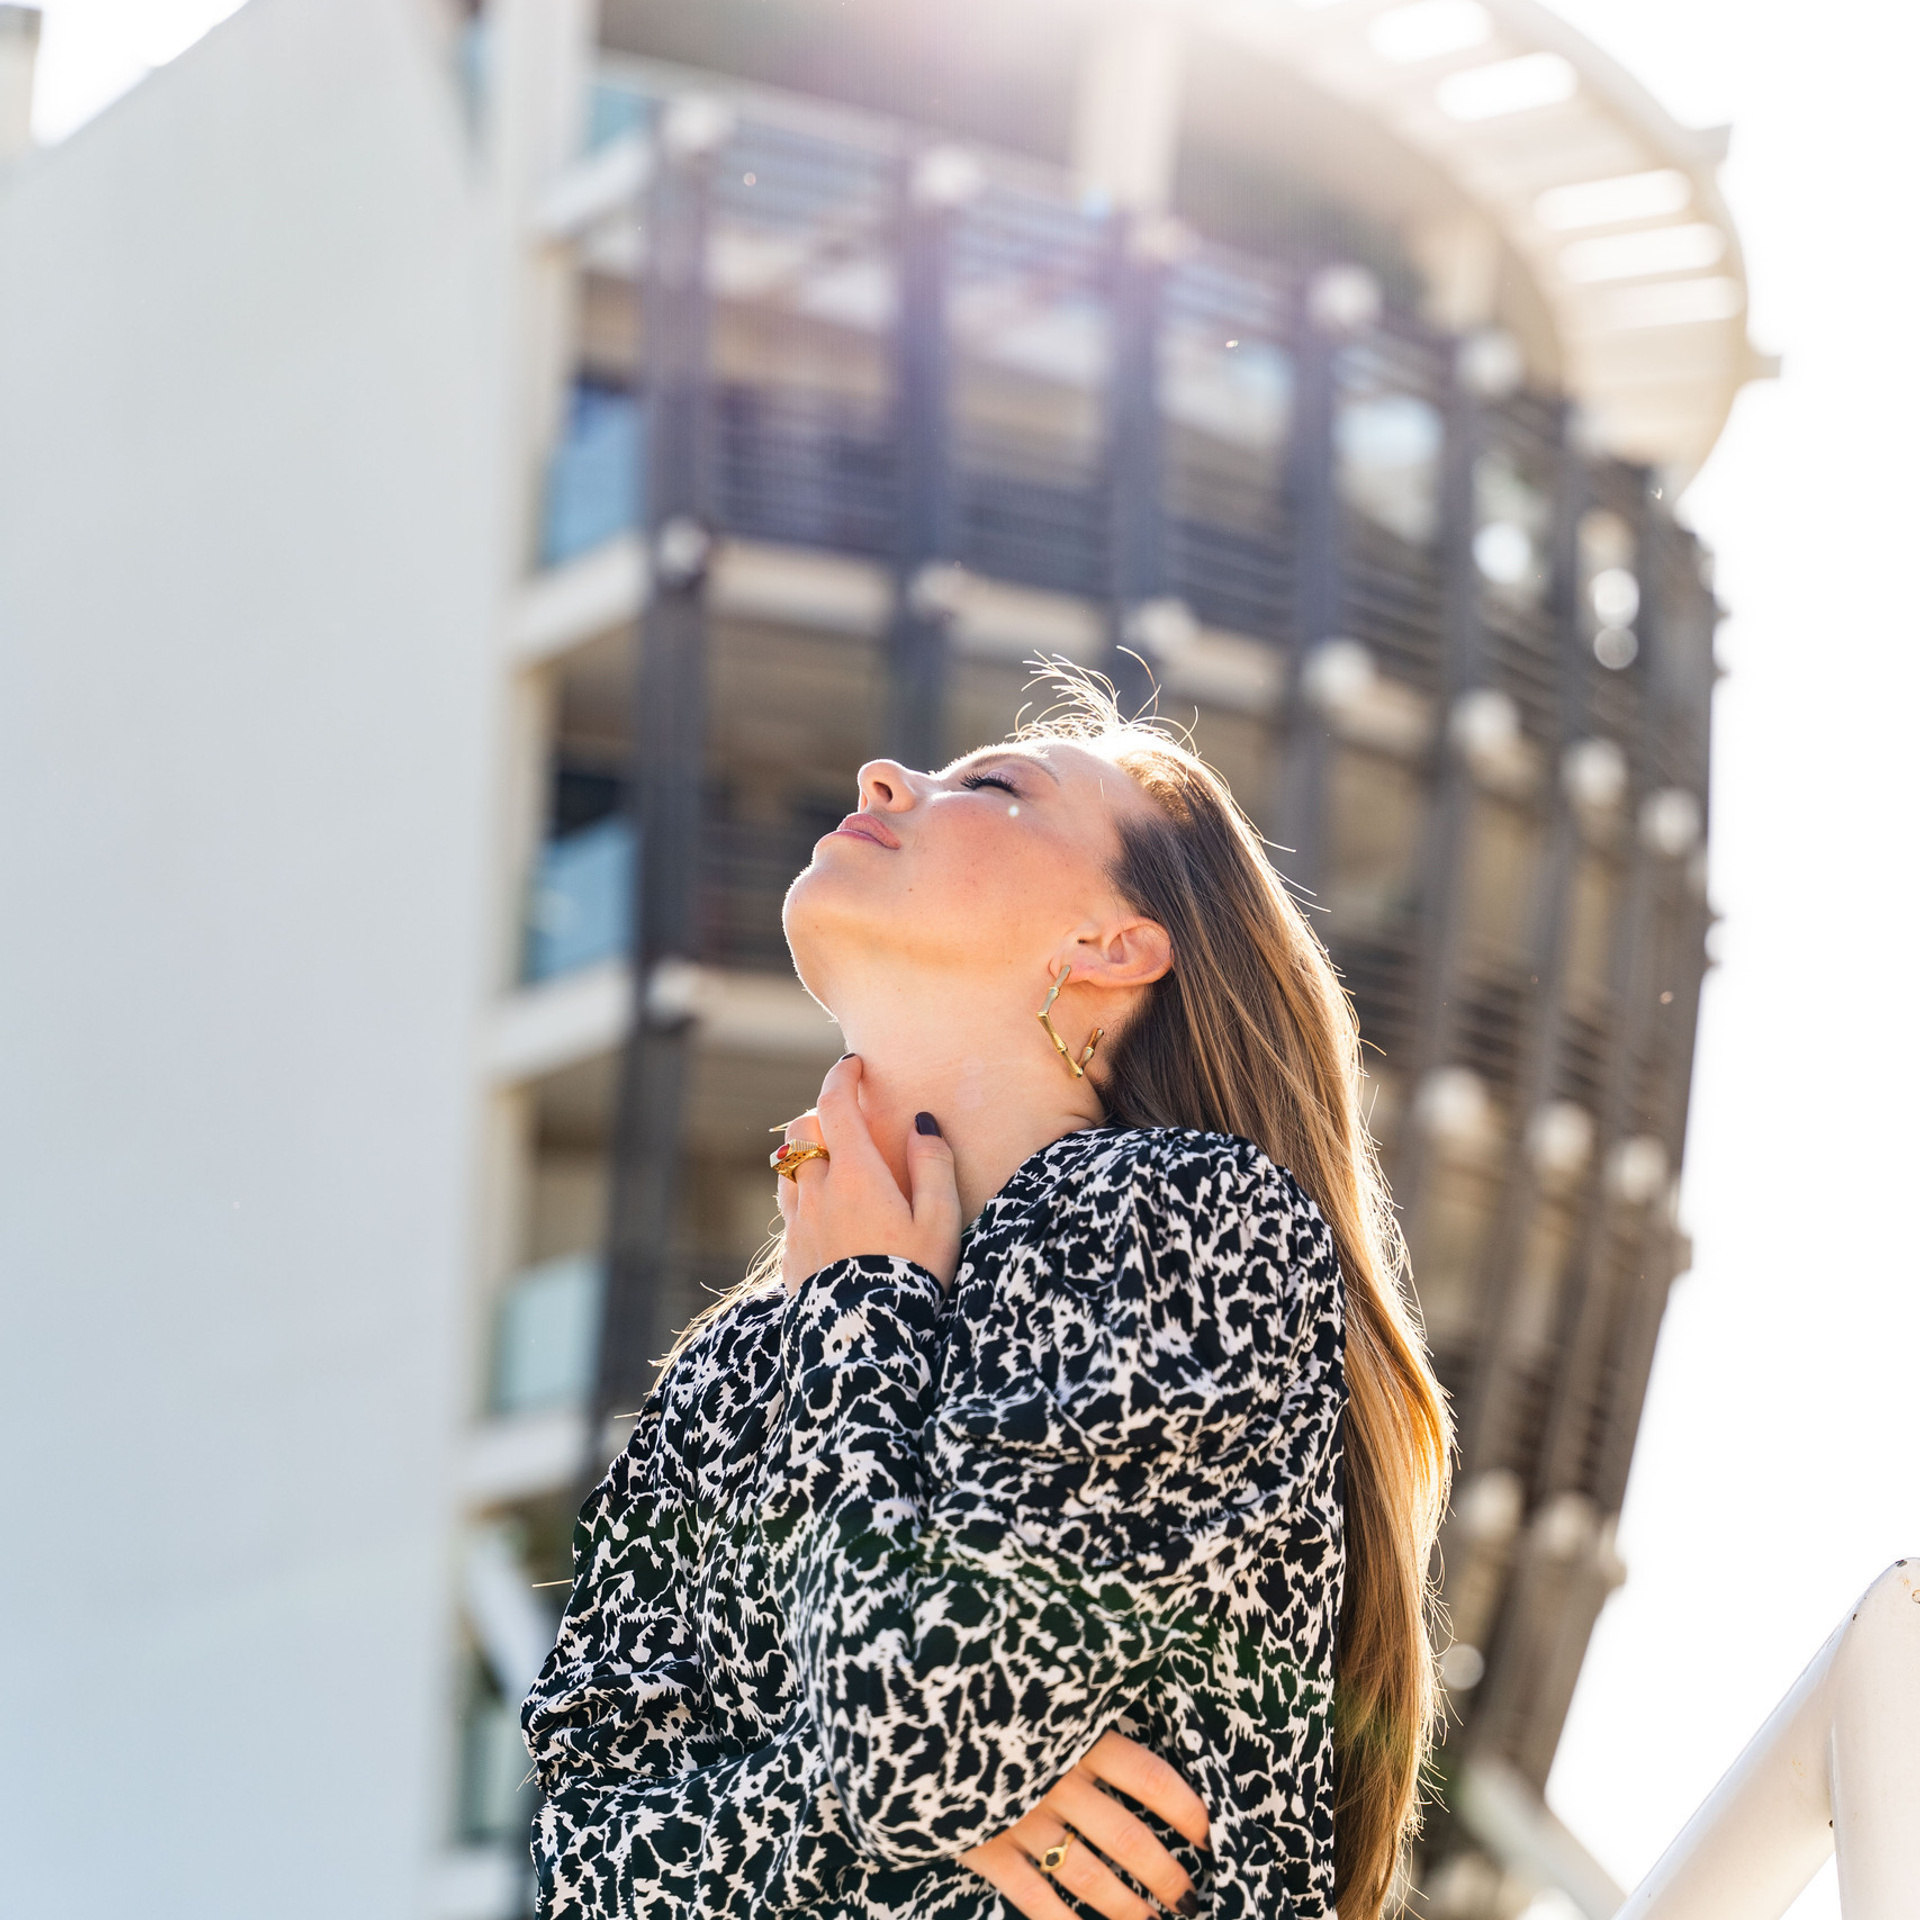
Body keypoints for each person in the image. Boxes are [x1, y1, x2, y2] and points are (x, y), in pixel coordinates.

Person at [522, 681, 1451, 1920]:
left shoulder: (1185, 1226)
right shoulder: (728, 1372)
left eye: (996, 789)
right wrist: (868, 1810)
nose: (884, 778)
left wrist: (860, 1304)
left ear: (1112, 948)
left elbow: (917, 1743)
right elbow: (583, 1863)